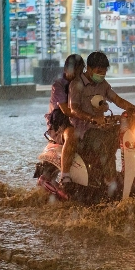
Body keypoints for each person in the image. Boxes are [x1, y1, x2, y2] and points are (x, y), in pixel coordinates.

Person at [67, 51, 135, 187]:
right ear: (88, 68)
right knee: (105, 144)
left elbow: (117, 100)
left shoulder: (103, 84)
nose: (101, 75)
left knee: (129, 135)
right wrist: (92, 118)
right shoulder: (76, 85)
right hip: (84, 132)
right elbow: (74, 109)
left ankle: (129, 175)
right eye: (99, 71)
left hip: (101, 128)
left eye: (104, 72)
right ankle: (110, 182)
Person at [44, 54, 85, 184]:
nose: (76, 74)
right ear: (66, 69)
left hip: (79, 122)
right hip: (60, 124)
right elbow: (66, 111)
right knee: (71, 135)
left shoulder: (84, 85)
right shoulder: (59, 86)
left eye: (80, 71)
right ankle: (65, 175)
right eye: (74, 71)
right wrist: (89, 116)